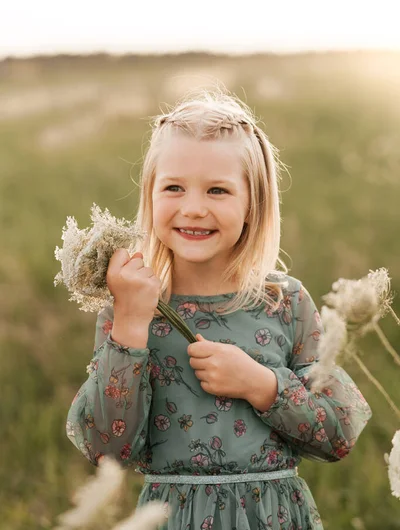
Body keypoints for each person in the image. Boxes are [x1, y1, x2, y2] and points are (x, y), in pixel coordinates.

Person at [66, 90, 372, 530]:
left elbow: (339, 433)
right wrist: (131, 323)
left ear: (253, 203)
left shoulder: (285, 303)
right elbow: (106, 450)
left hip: (270, 517)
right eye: (173, 187)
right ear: (149, 196)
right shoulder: (132, 307)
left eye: (217, 190)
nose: (193, 207)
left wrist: (263, 385)